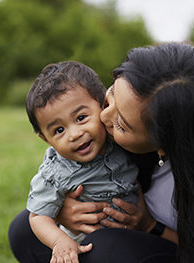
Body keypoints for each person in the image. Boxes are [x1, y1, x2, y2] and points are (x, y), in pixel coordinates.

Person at [9, 43, 194, 263]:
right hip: (102, 233)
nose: (103, 117)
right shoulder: (105, 131)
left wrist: (149, 226)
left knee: (106, 247)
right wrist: (66, 211)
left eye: (121, 123)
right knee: (24, 228)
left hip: (162, 251)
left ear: (163, 144)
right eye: (110, 98)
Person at [24, 61, 139, 263]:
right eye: (59, 130)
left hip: (134, 235)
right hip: (86, 244)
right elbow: (38, 217)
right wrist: (59, 242)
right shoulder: (55, 172)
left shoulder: (118, 138)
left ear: (102, 105)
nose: (75, 134)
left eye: (81, 118)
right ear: (45, 139)